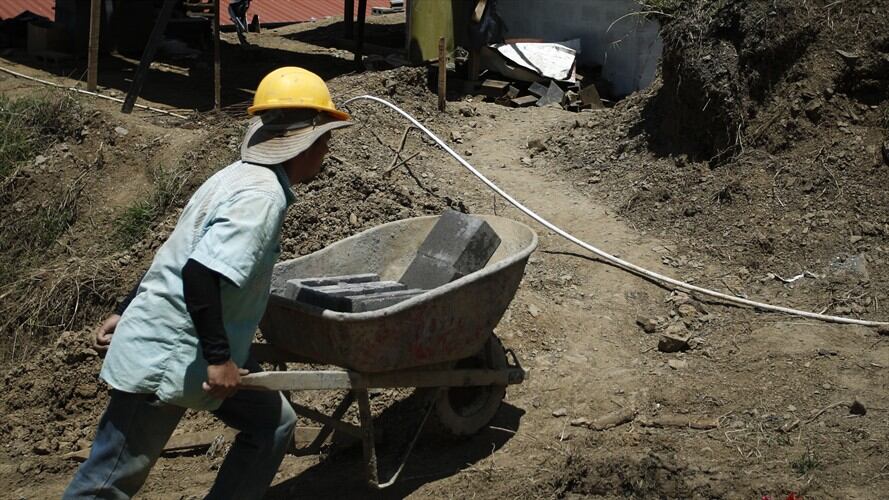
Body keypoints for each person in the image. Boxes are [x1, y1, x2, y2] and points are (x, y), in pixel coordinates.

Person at [64, 67, 353, 500]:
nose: (327, 150)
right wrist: (220, 360)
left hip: (189, 348)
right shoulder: (261, 197)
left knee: (273, 423)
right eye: (324, 139)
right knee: (109, 481)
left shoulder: (235, 176)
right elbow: (198, 274)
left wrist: (124, 308)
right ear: (304, 143)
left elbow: (179, 249)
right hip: (172, 352)